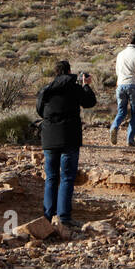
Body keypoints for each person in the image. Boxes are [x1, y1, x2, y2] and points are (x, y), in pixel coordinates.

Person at [36, 60, 96, 229]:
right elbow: (90, 102)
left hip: (49, 138)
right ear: (69, 71)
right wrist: (86, 85)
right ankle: (64, 217)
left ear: (55, 73)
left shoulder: (46, 90)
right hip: (69, 138)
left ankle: (48, 217)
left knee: (51, 178)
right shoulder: (75, 88)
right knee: (67, 178)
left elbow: (39, 110)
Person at [110, 33, 135, 147]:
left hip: (120, 85)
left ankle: (114, 126)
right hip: (133, 85)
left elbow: (117, 71)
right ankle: (130, 139)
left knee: (122, 111)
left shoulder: (120, 54)